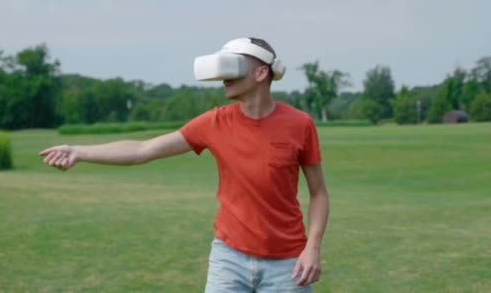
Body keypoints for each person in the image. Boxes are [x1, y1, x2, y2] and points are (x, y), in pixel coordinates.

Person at [40, 37, 330, 292]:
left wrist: (312, 248)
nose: (222, 76)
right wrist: (78, 151)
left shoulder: (299, 124)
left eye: (233, 66)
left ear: (261, 72)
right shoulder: (214, 123)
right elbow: (143, 150)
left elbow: (318, 193)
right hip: (229, 258)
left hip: (287, 263)